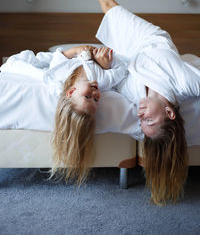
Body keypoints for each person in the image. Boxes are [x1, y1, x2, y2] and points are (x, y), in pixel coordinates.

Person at [56, 0, 200, 205]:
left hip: (127, 55)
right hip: (151, 41)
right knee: (109, 6)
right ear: (170, 113)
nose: (140, 114)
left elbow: (113, 72)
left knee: (94, 48)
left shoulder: (134, 98)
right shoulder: (186, 83)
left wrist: (103, 63)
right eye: (149, 119)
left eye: (140, 121)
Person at [0, 44, 127, 184]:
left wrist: (75, 50)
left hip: (84, 52)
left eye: (87, 97)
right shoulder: (103, 80)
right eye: (96, 99)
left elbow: (58, 58)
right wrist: (106, 65)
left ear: (71, 92)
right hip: (94, 55)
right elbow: (121, 70)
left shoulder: (60, 76)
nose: (95, 93)